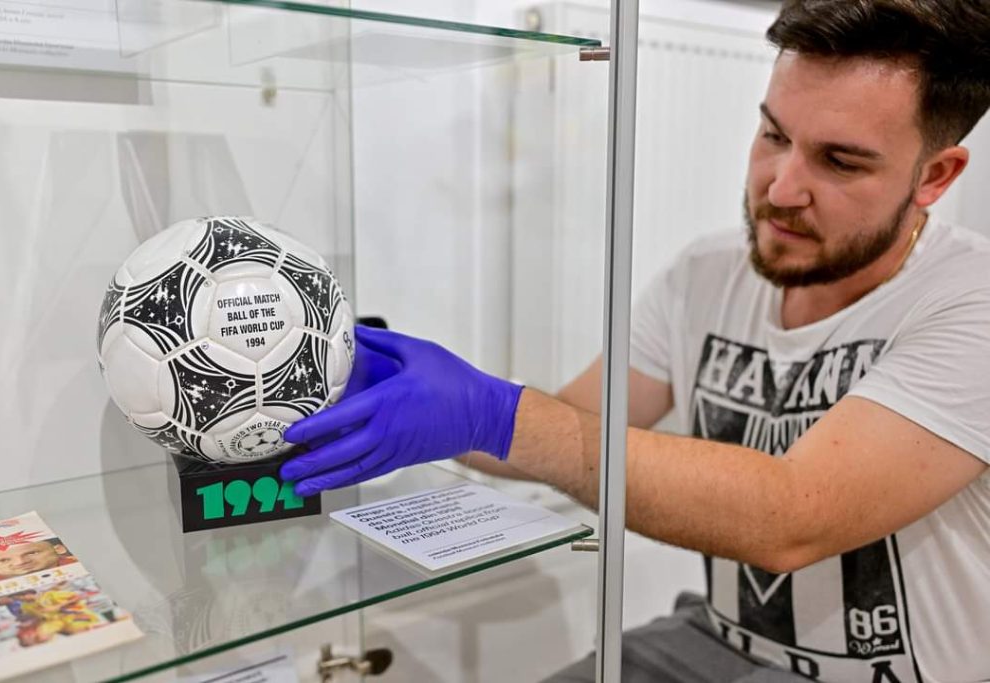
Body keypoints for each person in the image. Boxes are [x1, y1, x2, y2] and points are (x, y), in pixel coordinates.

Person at [279, 1, 990, 681]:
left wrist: (493, 412)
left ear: (935, 175)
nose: (780, 189)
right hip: (711, 640)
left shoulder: (971, 302)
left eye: (840, 162)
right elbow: (569, 427)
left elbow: (794, 515)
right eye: (774, 136)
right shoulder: (705, 274)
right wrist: (409, 396)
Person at [0, 540, 78, 580]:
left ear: (59, 549)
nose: (20, 562)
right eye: (4, 560)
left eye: (32, 553)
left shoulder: (78, 563)